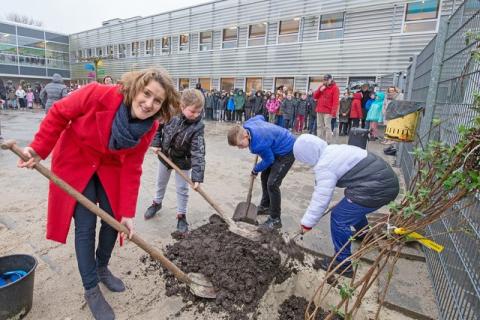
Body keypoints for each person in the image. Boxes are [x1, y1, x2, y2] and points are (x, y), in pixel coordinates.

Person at [17, 68, 180, 320]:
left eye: (157, 100)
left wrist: (127, 212)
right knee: (85, 225)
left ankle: (102, 266)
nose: (148, 104)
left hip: (109, 168)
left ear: (163, 105)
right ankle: (91, 288)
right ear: (135, 88)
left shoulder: (148, 128)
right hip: (77, 159)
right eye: (146, 94)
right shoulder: (98, 93)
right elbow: (59, 113)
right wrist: (39, 148)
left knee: (113, 222)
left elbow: (132, 167)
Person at [293, 134, 399, 277]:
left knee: (339, 217)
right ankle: (364, 234)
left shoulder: (324, 165)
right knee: (350, 206)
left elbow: (321, 198)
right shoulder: (332, 150)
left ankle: (343, 264)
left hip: (378, 188)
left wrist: (307, 223)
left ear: (306, 156)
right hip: (384, 181)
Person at [144, 89, 205, 234]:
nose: (196, 115)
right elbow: (158, 126)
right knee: (160, 182)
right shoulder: (171, 111)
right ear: (182, 106)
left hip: (183, 161)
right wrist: (156, 142)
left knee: (182, 189)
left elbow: (198, 152)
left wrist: (197, 176)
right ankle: (157, 203)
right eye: (192, 111)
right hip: (165, 156)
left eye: (199, 112)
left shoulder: (198, 126)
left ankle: (181, 215)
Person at [227, 115, 295, 230]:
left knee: (272, 183)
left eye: (240, 144)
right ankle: (265, 206)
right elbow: (261, 117)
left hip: (287, 150)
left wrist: (255, 169)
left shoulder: (257, 145)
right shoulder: (248, 124)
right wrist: (266, 129)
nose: (239, 148)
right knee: (265, 176)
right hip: (275, 145)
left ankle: (275, 219)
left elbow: (269, 160)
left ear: (246, 135)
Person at [313, 74, 339, 143]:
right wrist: (320, 90)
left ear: (331, 79)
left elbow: (335, 101)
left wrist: (333, 112)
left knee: (327, 127)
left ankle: (328, 142)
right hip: (319, 109)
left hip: (328, 111)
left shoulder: (335, 88)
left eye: (327, 80)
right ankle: (319, 141)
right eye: (324, 80)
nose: (325, 81)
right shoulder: (321, 86)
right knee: (319, 126)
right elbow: (315, 96)